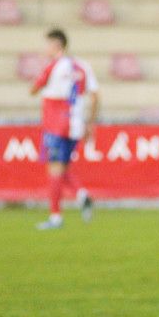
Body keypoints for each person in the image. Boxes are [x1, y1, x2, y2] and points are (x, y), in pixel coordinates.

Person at [29, 28, 96, 230]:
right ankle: (82, 195)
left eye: (48, 45)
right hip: (75, 125)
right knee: (62, 167)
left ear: (57, 45)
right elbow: (95, 95)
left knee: (54, 169)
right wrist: (90, 123)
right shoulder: (82, 66)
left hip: (56, 124)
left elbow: (33, 89)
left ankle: (55, 217)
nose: (45, 49)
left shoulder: (53, 67)